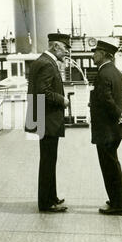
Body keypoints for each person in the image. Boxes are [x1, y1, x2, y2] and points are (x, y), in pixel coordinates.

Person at [25, 33, 71, 213]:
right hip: (48, 120)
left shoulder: (43, 61)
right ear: (55, 47)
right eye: (65, 48)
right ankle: (46, 203)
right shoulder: (47, 64)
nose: (66, 52)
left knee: (49, 160)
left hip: (44, 119)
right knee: (48, 161)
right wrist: (62, 100)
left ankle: (51, 197)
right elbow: (43, 92)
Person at [89, 40, 122, 215]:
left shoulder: (103, 74)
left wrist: (115, 116)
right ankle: (120, 199)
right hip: (115, 129)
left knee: (109, 166)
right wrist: (119, 117)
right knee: (113, 164)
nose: (93, 55)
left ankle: (117, 205)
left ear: (105, 54)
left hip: (106, 130)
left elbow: (107, 101)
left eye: (96, 52)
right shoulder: (117, 74)